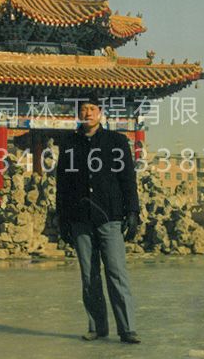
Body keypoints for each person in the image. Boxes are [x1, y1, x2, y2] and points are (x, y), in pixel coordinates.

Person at [55, 93, 141, 344]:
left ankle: (127, 328)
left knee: (116, 272)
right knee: (89, 275)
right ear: (78, 114)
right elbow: (62, 184)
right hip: (80, 218)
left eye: (92, 108)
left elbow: (128, 179)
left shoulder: (117, 142)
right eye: (84, 109)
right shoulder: (69, 143)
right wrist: (62, 219)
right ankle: (97, 326)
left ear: (101, 112)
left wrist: (133, 212)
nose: (88, 113)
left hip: (110, 217)